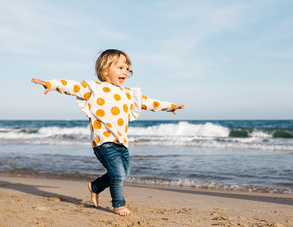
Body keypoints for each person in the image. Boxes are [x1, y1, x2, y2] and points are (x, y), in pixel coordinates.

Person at [31, 49, 184, 216]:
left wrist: (170, 107)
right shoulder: (95, 89)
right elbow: (71, 86)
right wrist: (51, 84)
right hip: (103, 143)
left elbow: (148, 102)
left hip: (121, 143)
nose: (125, 72)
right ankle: (118, 205)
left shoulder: (128, 94)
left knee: (123, 174)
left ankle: (95, 186)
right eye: (120, 67)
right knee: (118, 174)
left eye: (127, 69)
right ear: (105, 70)